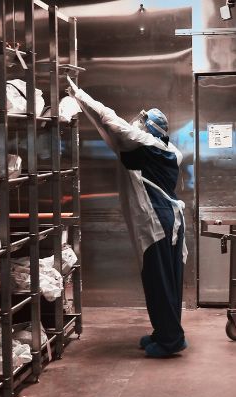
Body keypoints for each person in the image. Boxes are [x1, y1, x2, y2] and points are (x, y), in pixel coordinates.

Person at [66, 76, 188, 358]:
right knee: (166, 280)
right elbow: (113, 131)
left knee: (158, 282)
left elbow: (111, 122)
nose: (136, 124)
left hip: (157, 225)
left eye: (142, 122)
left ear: (150, 129)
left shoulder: (147, 144)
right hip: (167, 223)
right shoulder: (168, 150)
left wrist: (80, 94)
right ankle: (164, 332)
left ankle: (170, 340)